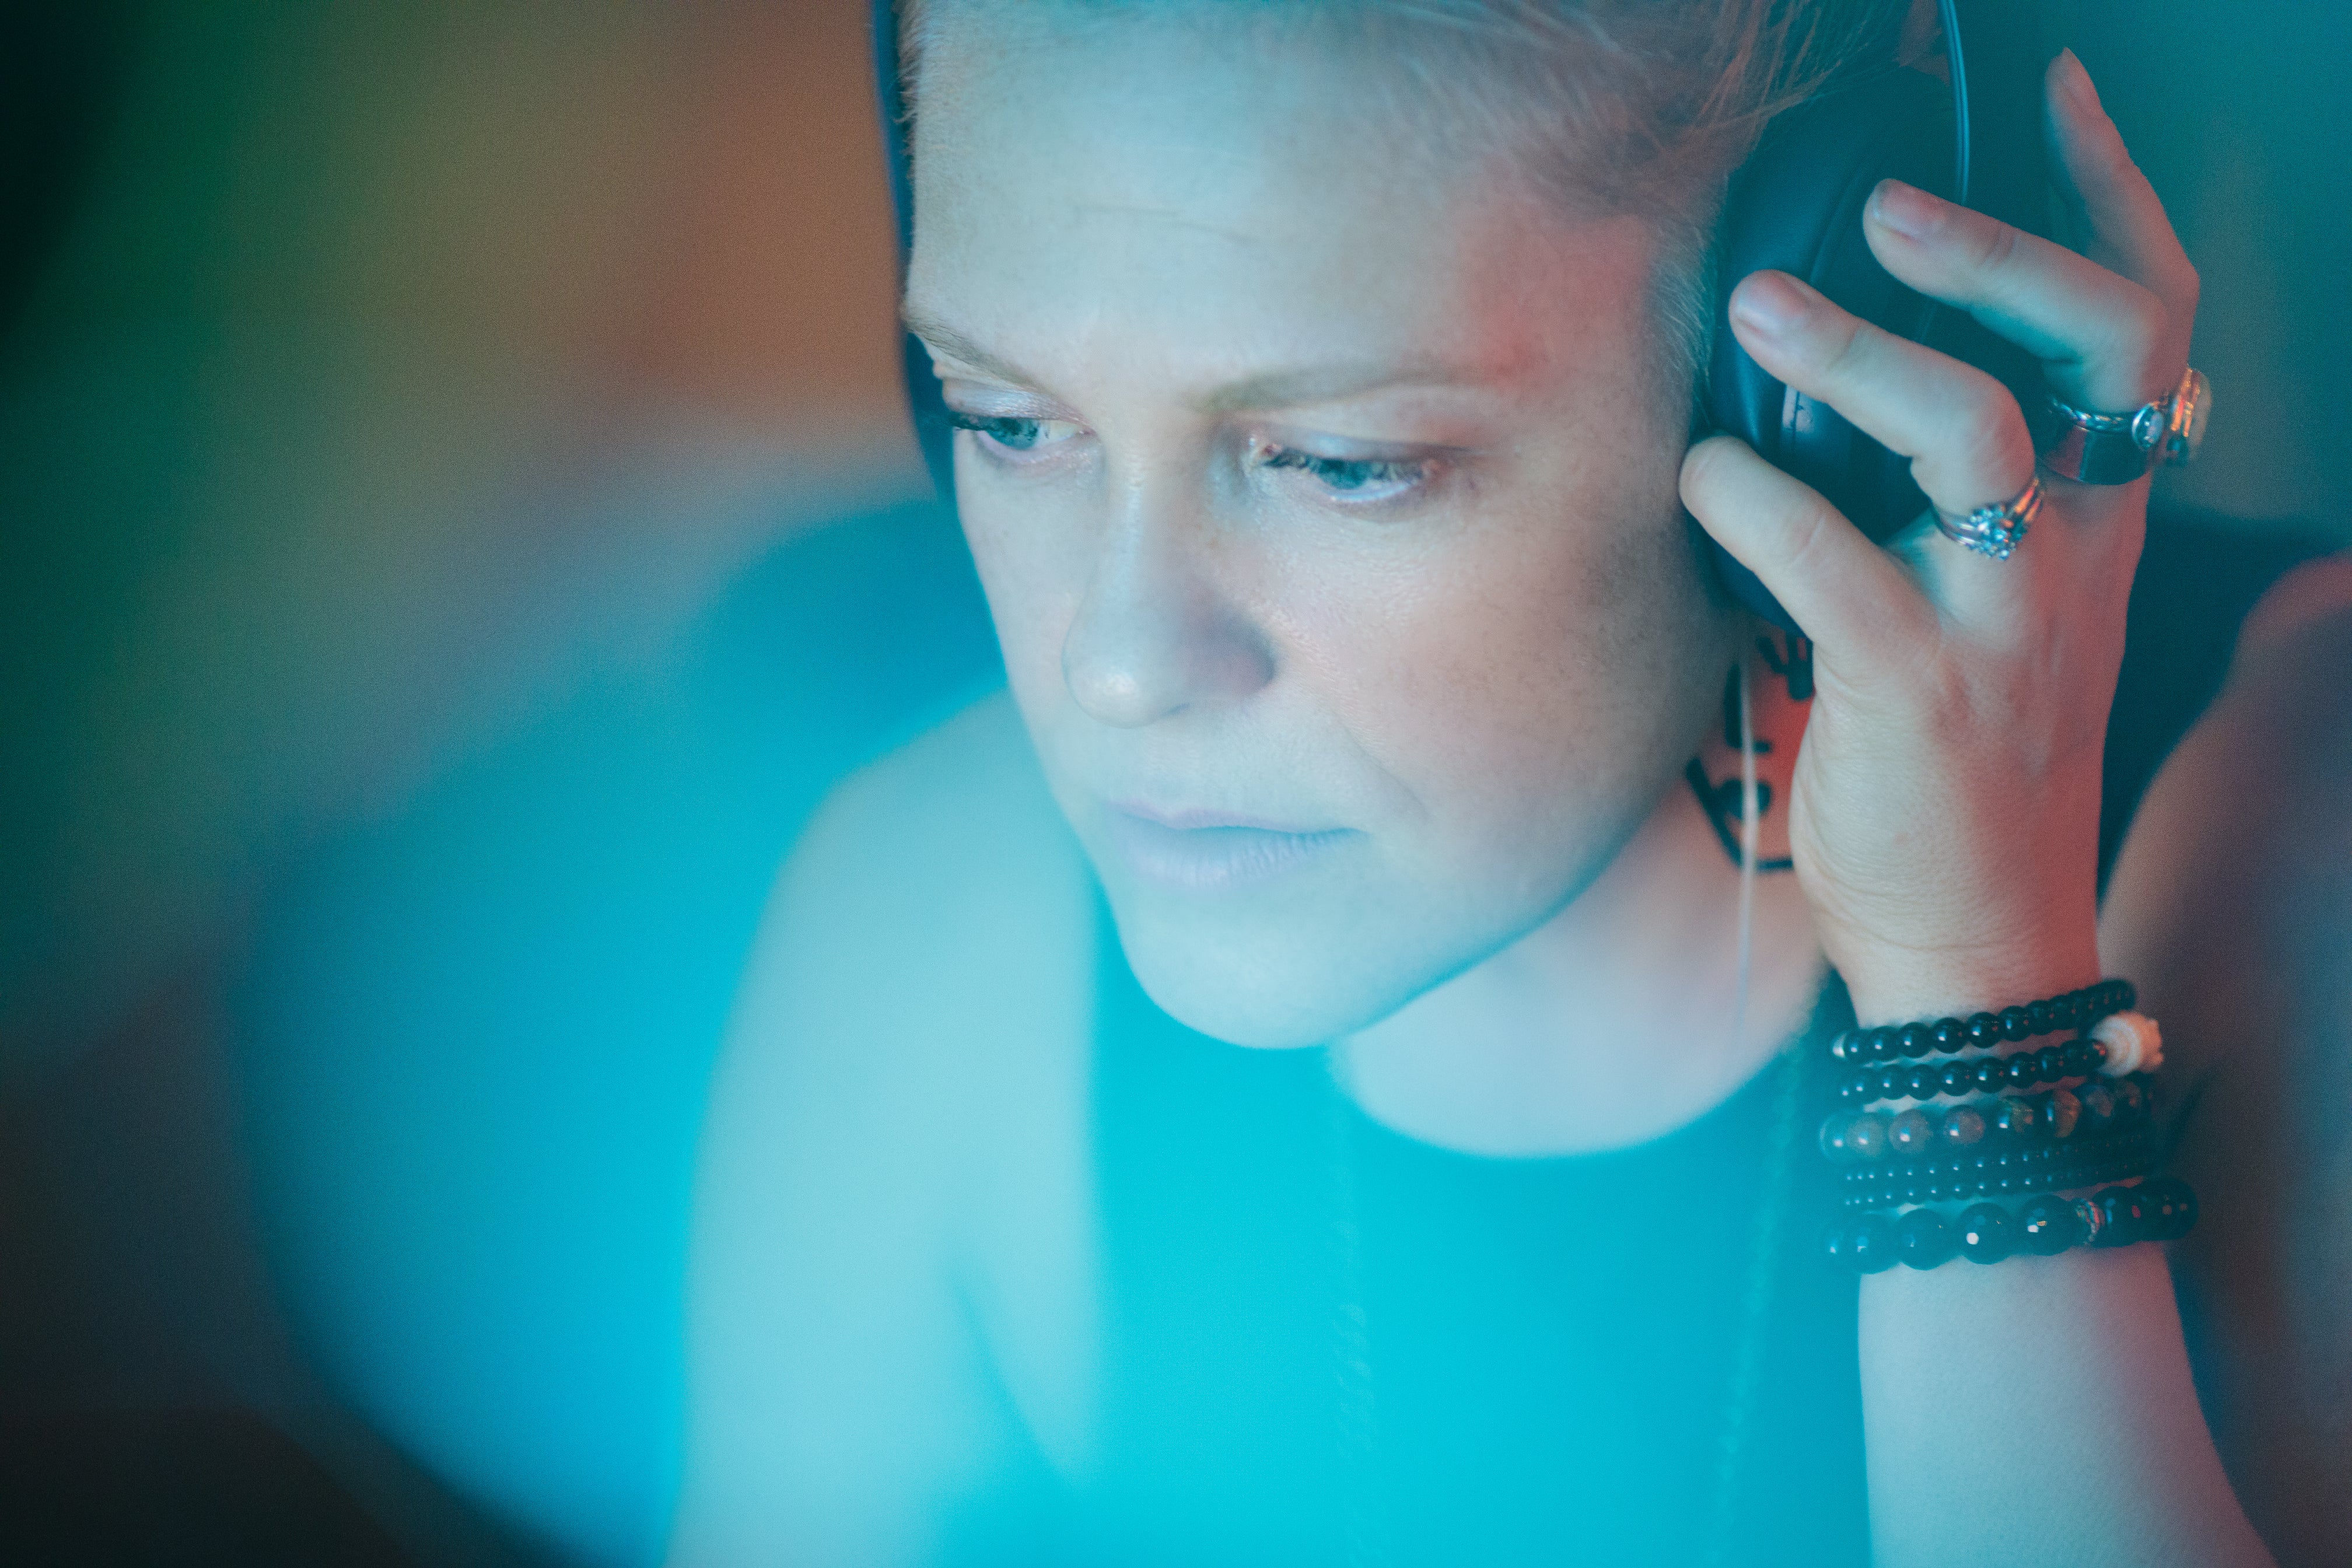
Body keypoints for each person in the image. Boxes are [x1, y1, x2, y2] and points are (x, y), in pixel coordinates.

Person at [666, 2, 2329, 1562]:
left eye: (1343, 463)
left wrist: (1982, 983)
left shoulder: (2297, 816)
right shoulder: (925, 918)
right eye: (1005, 418)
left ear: (1803, 392)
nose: (1115, 663)